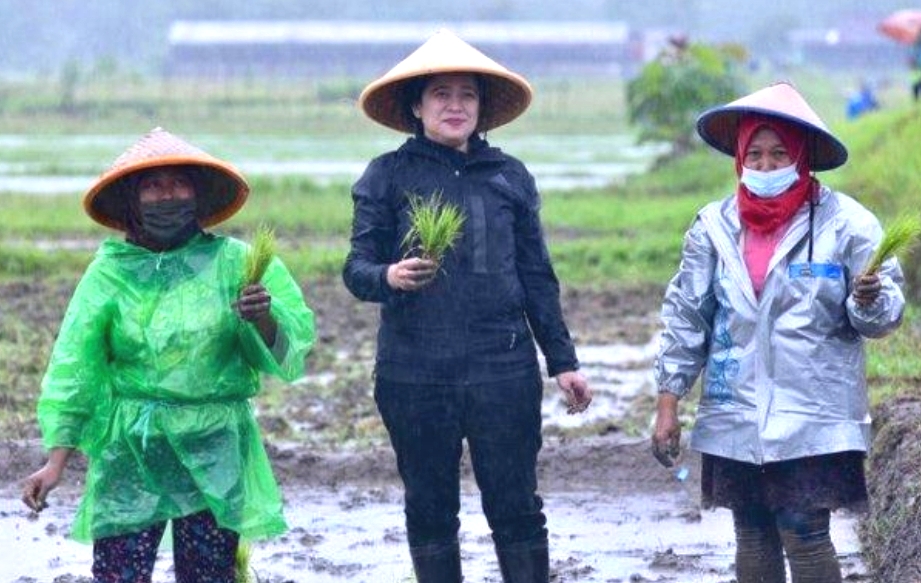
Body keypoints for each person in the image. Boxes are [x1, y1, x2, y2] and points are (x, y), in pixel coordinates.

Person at [342, 29, 592, 583]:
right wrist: (390, 275)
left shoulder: (509, 176)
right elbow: (355, 271)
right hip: (414, 371)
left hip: (501, 367)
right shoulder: (387, 175)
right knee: (430, 509)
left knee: (516, 506)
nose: (455, 106)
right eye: (441, 94)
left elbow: (536, 276)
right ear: (416, 106)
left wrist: (564, 361)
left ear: (482, 108)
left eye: (467, 96)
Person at [20, 127, 316, 582]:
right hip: (133, 449)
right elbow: (75, 368)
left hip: (214, 446)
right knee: (120, 574)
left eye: (179, 183)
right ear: (132, 200)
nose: (167, 195)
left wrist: (262, 317)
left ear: (197, 196)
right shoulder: (110, 274)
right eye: (153, 185)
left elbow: (290, 346)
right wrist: (56, 461)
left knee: (209, 576)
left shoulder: (236, 262)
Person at [650, 81, 905, 583]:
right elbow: (686, 315)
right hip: (736, 407)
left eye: (779, 155)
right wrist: (668, 400)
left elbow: (881, 318)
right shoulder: (714, 227)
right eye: (756, 156)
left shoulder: (847, 225)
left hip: (814, 411)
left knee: (805, 529)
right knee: (753, 531)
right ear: (740, 159)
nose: (766, 168)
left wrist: (868, 299)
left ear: (802, 157)